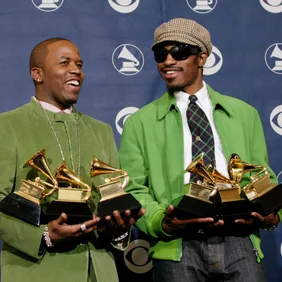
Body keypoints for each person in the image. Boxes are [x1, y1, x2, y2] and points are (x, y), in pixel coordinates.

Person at [119, 18, 281, 282]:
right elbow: (133, 188)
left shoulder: (244, 114)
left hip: (240, 241)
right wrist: (161, 222)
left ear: (202, 57)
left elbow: (261, 177)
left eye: (179, 52)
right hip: (176, 246)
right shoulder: (139, 123)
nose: (168, 60)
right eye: (161, 54)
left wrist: (270, 215)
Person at [0, 37, 144, 282]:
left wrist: (118, 230)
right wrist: (43, 235)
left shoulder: (101, 130)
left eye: (79, 64)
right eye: (64, 63)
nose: (76, 70)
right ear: (38, 74)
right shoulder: (7, 125)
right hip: (37, 271)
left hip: (100, 271)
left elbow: (110, 201)